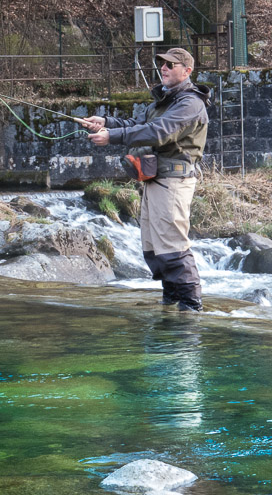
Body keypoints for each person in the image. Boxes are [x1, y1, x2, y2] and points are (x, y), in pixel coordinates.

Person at [76, 47, 210, 311]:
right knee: (153, 247)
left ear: (187, 71)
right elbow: (136, 124)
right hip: (156, 180)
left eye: (171, 65)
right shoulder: (165, 100)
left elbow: (158, 132)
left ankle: (191, 309)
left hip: (174, 182)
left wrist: (111, 137)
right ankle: (171, 305)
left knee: (172, 246)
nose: (164, 68)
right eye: (162, 64)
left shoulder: (190, 103)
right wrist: (105, 123)